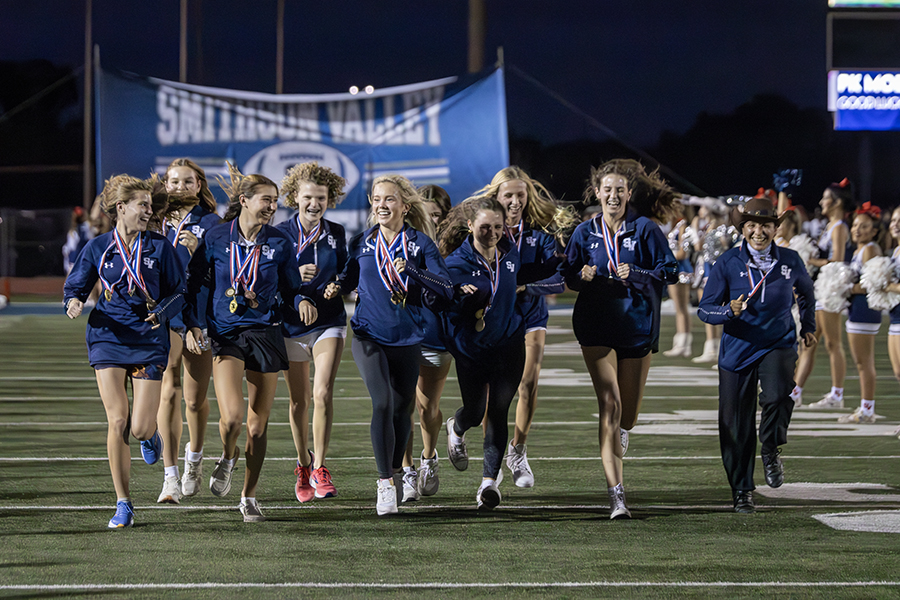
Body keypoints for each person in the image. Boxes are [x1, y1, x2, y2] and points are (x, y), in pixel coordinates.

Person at [185, 163, 317, 523]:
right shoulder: (215, 238)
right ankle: (227, 458)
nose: (272, 206)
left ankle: (249, 496)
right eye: (265, 200)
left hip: (266, 332)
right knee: (232, 420)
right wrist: (194, 325)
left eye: (275, 201)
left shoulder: (279, 242)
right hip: (226, 334)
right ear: (244, 201)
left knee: (258, 427)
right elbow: (196, 284)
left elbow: (291, 288)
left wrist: (302, 300)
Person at [63, 175, 186, 528]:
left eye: (150, 205)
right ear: (122, 208)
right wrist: (72, 301)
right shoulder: (99, 246)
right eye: (142, 205)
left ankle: (151, 436)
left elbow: (180, 293)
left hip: (149, 342)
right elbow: (76, 284)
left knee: (140, 428)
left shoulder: (161, 248)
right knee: (117, 420)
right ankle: (123, 502)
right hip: (108, 337)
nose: (148, 211)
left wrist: (161, 313)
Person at [560, 159, 678, 519]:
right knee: (609, 405)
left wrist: (639, 272)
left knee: (628, 414)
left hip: (637, 326)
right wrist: (581, 275)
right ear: (597, 193)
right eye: (606, 190)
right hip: (596, 324)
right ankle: (617, 494)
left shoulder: (645, 229)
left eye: (619, 190)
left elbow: (672, 271)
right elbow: (568, 276)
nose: (612, 195)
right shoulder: (584, 231)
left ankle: (624, 430)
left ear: (629, 194)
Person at [339, 174, 453, 515]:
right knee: (383, 404)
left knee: (403, 410)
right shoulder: (362, 241)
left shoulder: (420, 244)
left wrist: (414, 274)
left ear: (404, 205)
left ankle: (398, 471)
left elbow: (445, 288)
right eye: (376, 199)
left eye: (389, 199)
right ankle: (384, 483)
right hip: (367, 335)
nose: (381, 205)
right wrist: (330, 285)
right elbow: (347, 278)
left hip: (408, 337)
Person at [698, 197, 816, 513]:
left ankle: (770, 446)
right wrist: (727, 310)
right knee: (734, 423)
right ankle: (741, 490)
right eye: (752, 225)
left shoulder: (790, 260)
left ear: (776, 228)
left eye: (765, 225)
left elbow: (806, 293)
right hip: (737, 350)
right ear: (743, 228)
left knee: (779, 395)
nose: (759, 231)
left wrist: (808, 324)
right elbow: (705, 309)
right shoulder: (727, 262)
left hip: (777, 342)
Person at [464, 167, 573, 489]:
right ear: (495, 197)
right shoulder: (484, 230)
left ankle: (518, 450)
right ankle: (492, 460)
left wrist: (527, 288)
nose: (514, 201)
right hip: (494, 320)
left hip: (530, 317)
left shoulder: (539, 235)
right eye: (508, 195)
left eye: (520, 195)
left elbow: (558, 279)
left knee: (528, 382)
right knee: (493, 395)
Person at [439, 196, 537, 509]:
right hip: (472, 349)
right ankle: (456, 427)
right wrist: (459, 297)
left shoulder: (510, 256)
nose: (492, 232)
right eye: (485, 227)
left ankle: (488, 484)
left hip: (508, 344)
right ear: (470, 226)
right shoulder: (455, 263)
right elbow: (445, 305)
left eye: (498, 226)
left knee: (498, 410)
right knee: (475, 410)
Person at [276, 162, 348, 502]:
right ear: (294, 197)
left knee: (322, 393)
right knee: (298, 401)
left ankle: (320, 467)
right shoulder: (279, 234)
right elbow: (269, 281)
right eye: (308, 197)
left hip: (328, 321)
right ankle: (303, 463)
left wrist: (339, 286)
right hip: (290, 325)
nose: (314, 204)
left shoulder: (337, 232)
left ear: (329, 199)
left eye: (321, 197)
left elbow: (347, 273)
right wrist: (296, 282)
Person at [155, 159, 221, 504]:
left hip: (199, 317)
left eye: (187, 181)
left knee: (195, 399)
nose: (179, 187)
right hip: (166, 317)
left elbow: (222, 276)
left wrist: (200, 253)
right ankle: (169, 477)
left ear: (199, 185)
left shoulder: (212, 223)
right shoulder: (153, 220)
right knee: (169, 390)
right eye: (173, 181)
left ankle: (193, 461)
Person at [399, 184, 453, 502]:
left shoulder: (452, 249)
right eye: (425, 214)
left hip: (436, 332)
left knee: (427, 406)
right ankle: (407, 472)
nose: (430, 221)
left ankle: (429, 457)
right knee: (403, 403)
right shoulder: (402, 241)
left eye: (436, 215)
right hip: (402, 331)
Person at [793, 179, 854, 408]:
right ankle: (795, 391)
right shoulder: (829, 226)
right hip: (820, 287)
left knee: (833, 343)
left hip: (831, 289)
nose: (821, 202)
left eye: (826, 197)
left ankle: (837, 395)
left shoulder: (839, 226)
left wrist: (810, 260)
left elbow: (838, 259)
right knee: (809, 341)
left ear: (837, 202)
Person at [838, 203, 883, 424]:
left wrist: (844, 287)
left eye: (864, 226)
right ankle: (866, 407)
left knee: (864, 363)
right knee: (861, 362)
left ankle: (867, 410)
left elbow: (871, 284)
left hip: (865, 309)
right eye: (855, 225)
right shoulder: (859, 250)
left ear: (874, 231)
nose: (857, 230)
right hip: (857, 309)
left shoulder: (870, 249)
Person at [663, 201, 695, 358]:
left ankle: (683, 343)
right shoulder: (676, 225)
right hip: (676, 269)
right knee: (680, 308)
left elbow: (683, 253)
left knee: (681, 308)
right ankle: (681, 342)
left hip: (680, 270)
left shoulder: (683, 226)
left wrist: (667, 257)